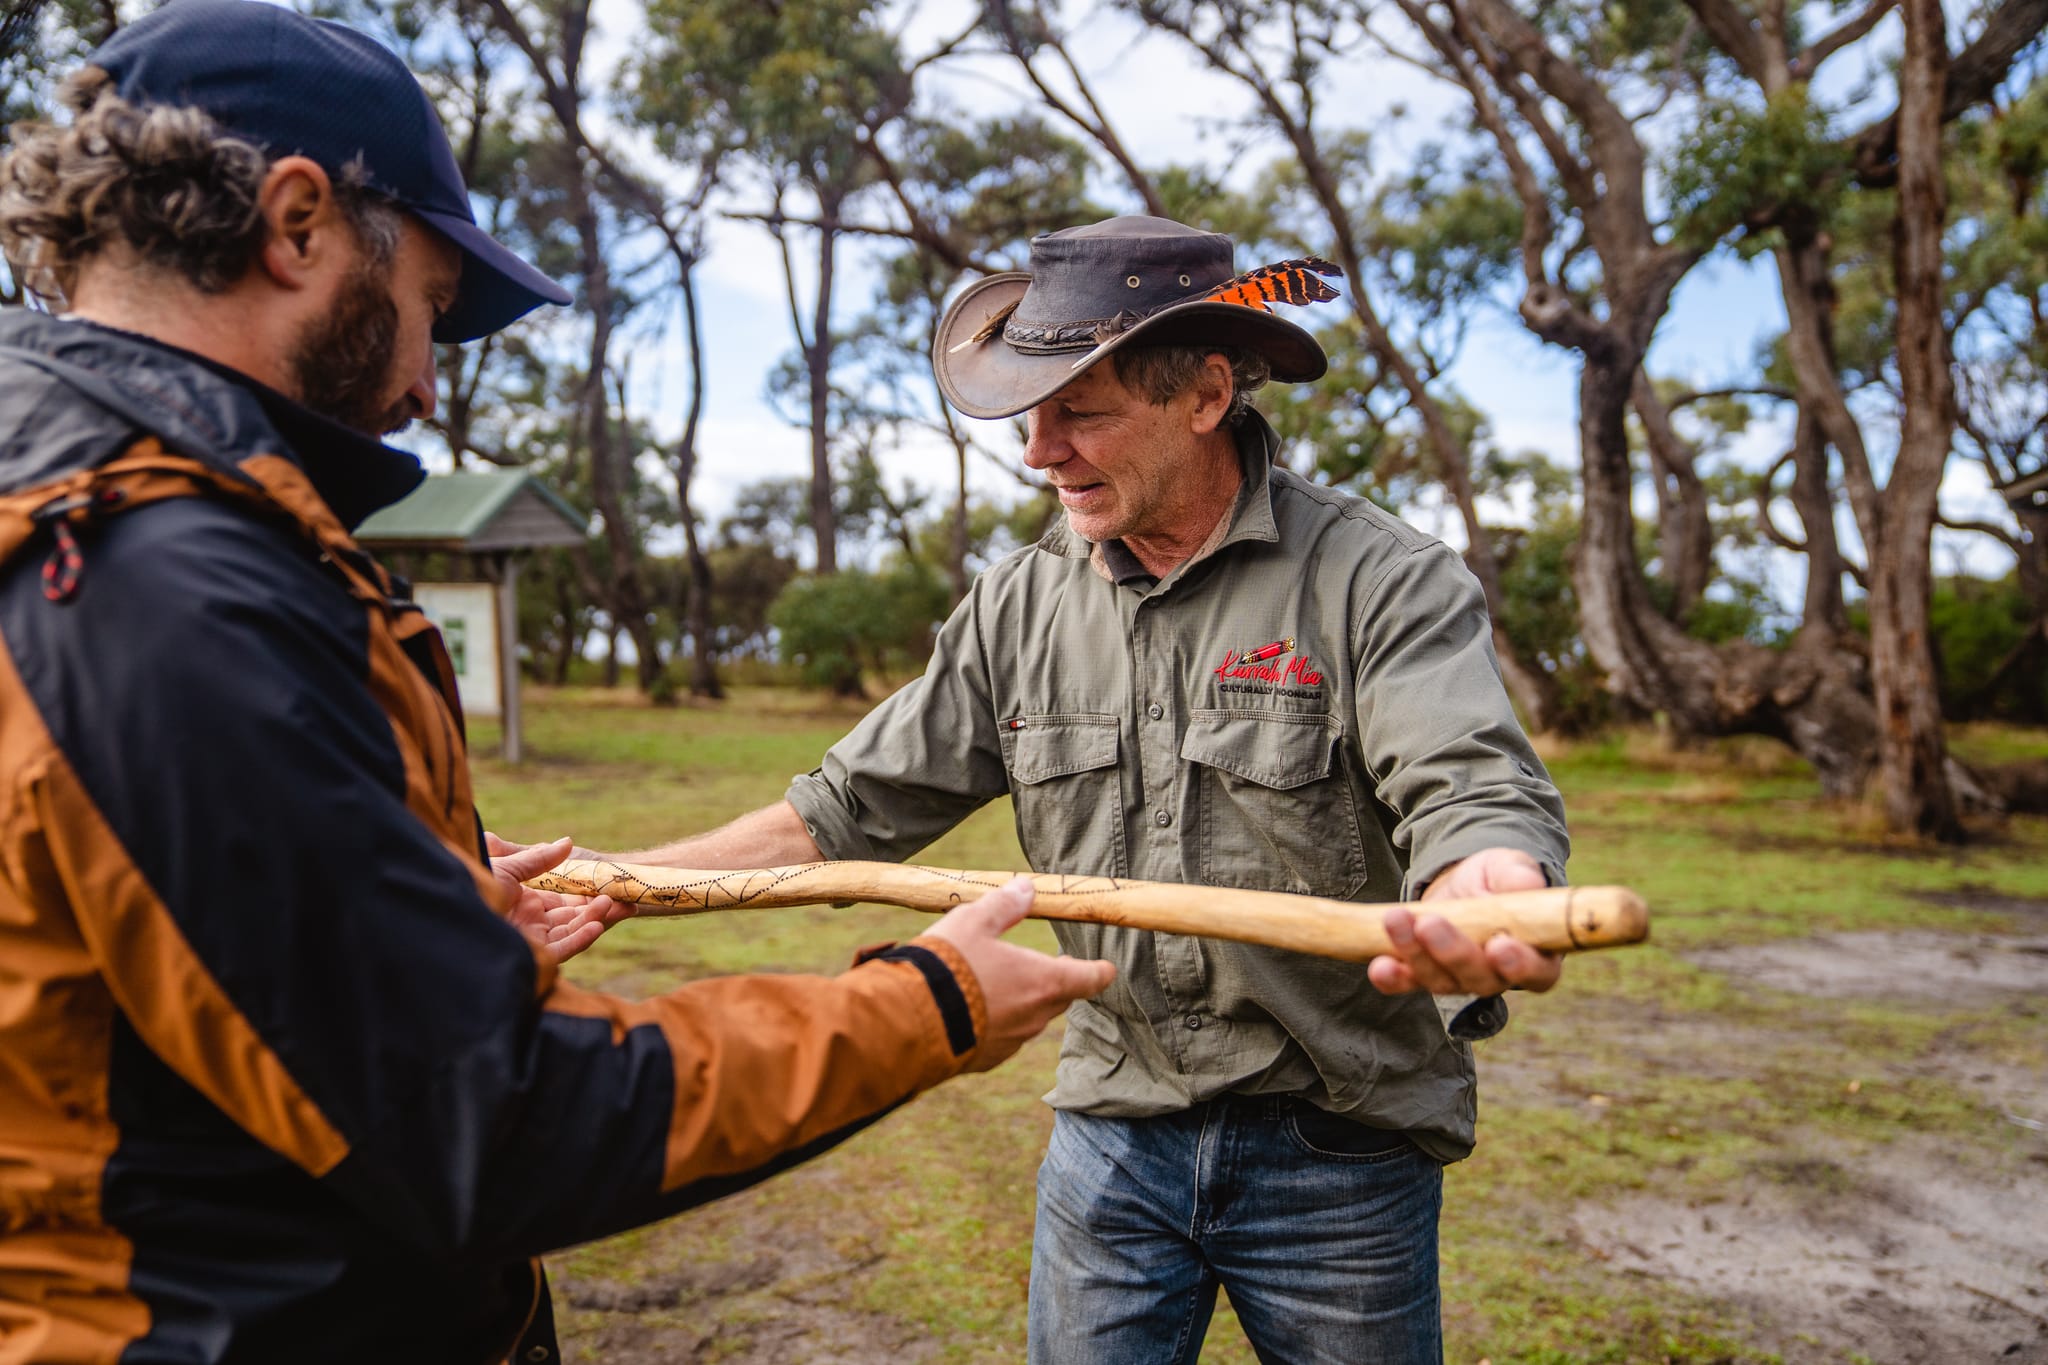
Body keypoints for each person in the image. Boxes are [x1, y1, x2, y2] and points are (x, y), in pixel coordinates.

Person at [0, 5, 1112, 1362]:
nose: (419, 382)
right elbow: (492, 1123)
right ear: (297, 226)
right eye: (429, 309)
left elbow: (147, 981)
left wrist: (422, 938)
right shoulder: (159, 585)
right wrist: (927, 1002)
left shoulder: (86, 526)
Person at [579, 216, 1572, 1363]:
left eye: (1081, 412)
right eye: (1028, 413)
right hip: (1111, 1133)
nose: (1038, 451)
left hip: (1337, 1149)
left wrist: (1481, 881)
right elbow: (838, 811)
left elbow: (1467, 781)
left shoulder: (1379, 581)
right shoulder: (1017, 606)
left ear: (1206, 394)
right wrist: (620, 886)